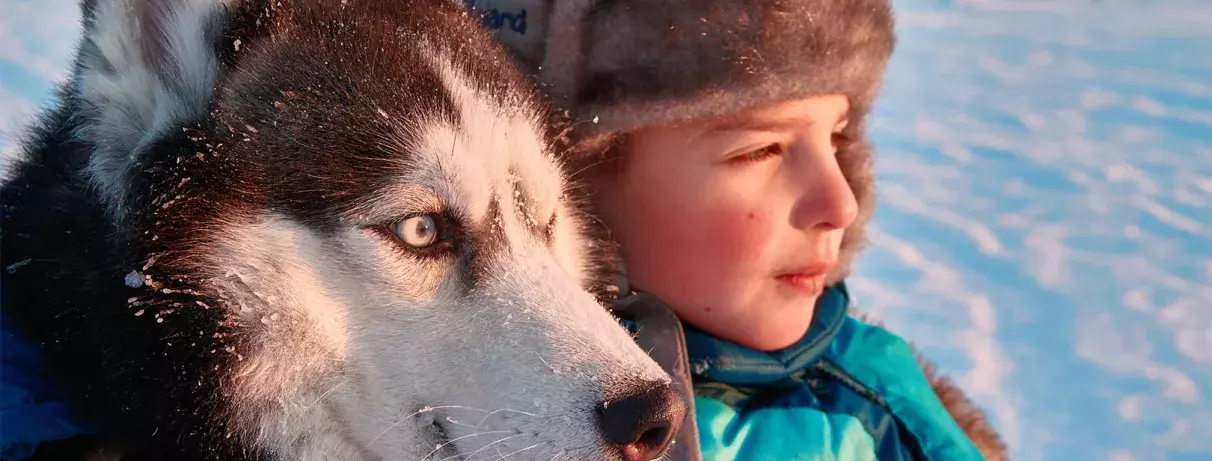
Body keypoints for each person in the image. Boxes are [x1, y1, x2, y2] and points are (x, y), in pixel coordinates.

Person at [471, 0, 1011, 459]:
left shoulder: (878, 419)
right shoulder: (454, 405)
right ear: (572, 185)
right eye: (763, 149)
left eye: (839, 142)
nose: (840, 203)